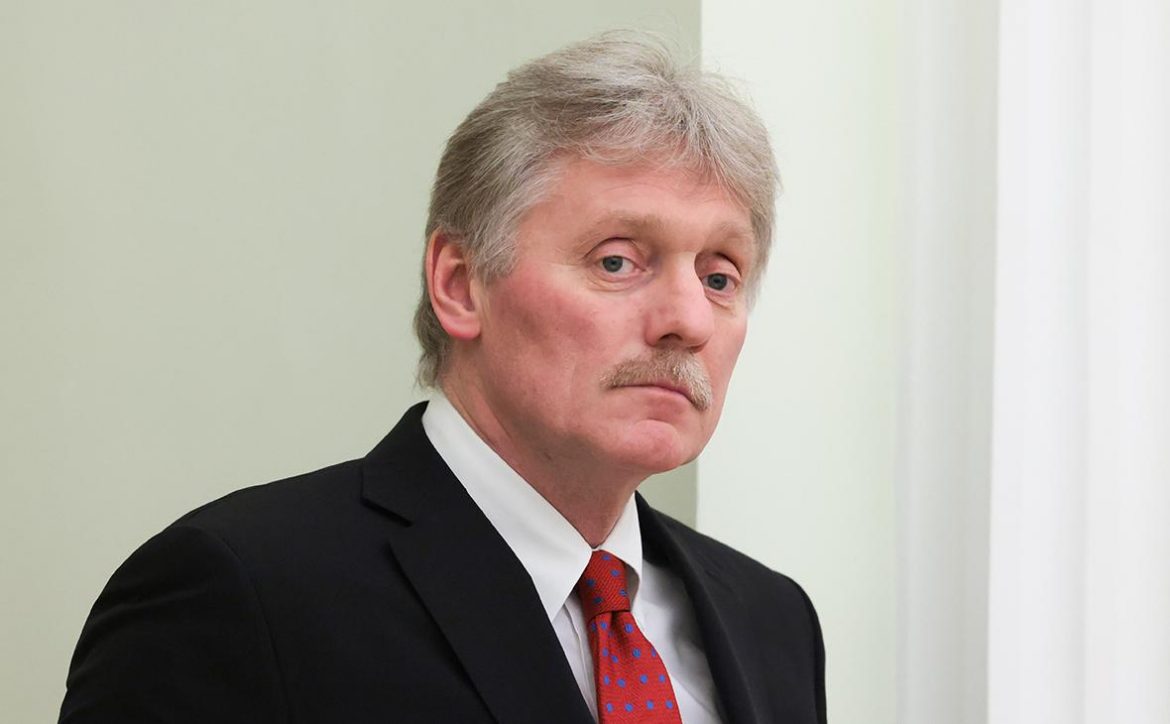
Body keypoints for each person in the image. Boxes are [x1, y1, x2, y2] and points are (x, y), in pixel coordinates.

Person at [59, 33, 826, 724]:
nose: (688, 319)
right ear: (460, 285)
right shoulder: (241, 593)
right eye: (618, 260)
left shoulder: (772, 619)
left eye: (720, 277)